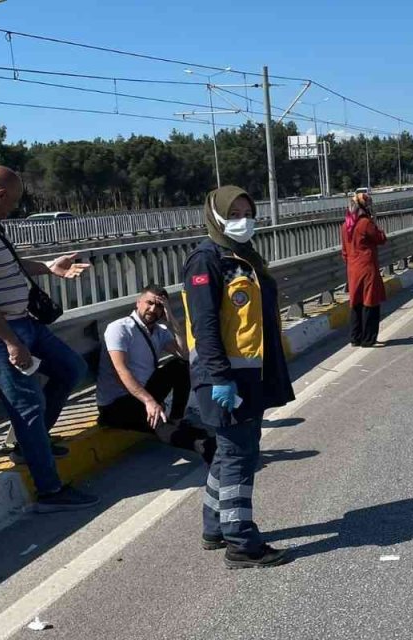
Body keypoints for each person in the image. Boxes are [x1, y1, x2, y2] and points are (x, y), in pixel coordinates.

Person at [0, 166, 98, 512]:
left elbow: (7, 265)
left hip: (22, 321)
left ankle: (31, 443)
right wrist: (10, 341)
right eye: (14, 202)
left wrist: (49, 268)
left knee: (71, 368)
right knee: (27, 404)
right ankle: (50, 491)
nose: (14, 209)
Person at [182, 185, 296, 569]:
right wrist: (219, 378)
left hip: (249, 376)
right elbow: (206, 325)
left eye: (248, 211)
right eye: (233, 214)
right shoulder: (206, 261)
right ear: (215, 216)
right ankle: (241, 543)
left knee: (230, 452)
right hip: (225, 377)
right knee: (239, 457)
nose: (243, 220)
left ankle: (215, 527)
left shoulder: (241, 255)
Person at [96, 284, 214, 463]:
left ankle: (176, 419)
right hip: (117, 402)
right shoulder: (119, 328)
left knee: (180, 365)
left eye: (159, 306)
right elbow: (122, 371)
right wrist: (149, 401)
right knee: (158, 422)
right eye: (149, 303)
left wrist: (171, 318)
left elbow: (184, 355)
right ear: (138, 302)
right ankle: (199, 445)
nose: (153, 309)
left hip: (143, 392)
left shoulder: (160, 331)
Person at [341, 192, 388, 347]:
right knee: (370, 302)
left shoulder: (345, 225)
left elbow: (344, 251)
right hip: (367, 267)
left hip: (352, 268)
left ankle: (355, 337)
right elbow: (381, 238)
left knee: (356, 302)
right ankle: (368, 339)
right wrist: (375, 222)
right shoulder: (365, 223)